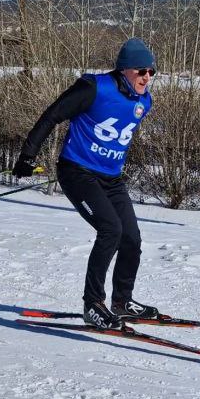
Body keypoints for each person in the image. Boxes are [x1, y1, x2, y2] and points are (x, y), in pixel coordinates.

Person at [12, 37, 158, 329]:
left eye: (152, 72)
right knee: (110, 230)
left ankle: (121, 301)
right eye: (141, 71)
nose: (147, 77)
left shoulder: (144, 101)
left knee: (131, 237)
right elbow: (52, 115)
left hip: (111, 179)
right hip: (77, 172)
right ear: (124, 69)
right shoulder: (94, 88)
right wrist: (28, 155)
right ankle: (93, 304)